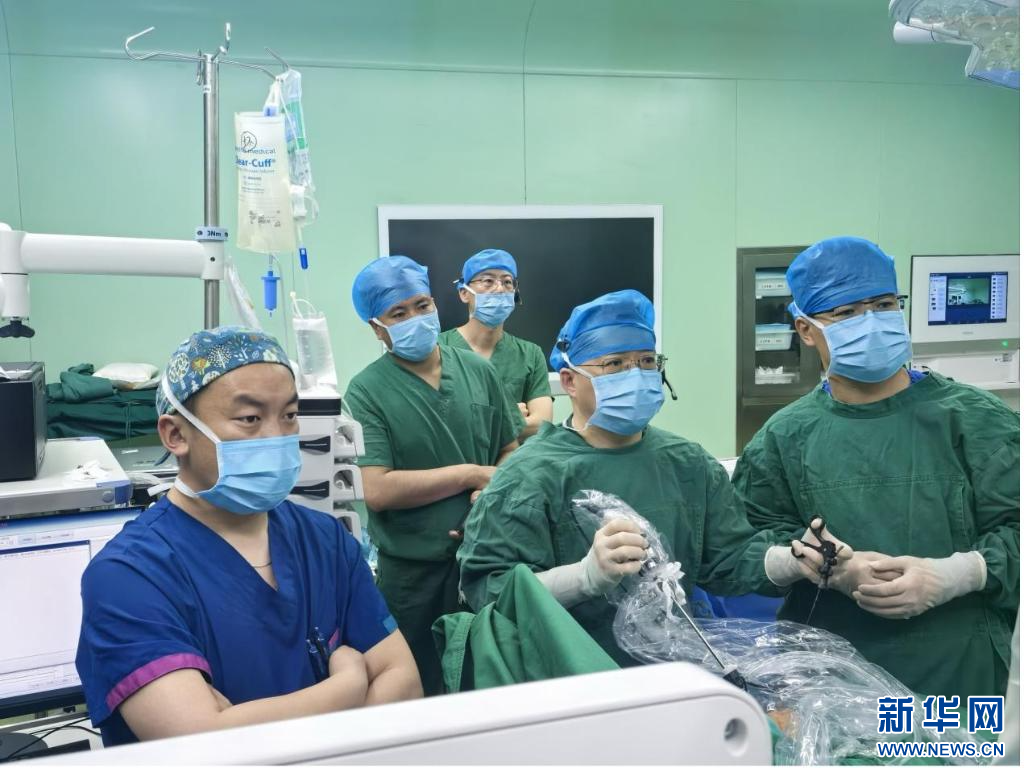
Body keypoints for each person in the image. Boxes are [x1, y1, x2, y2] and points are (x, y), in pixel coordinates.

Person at [76, 327, 421, 747]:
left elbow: (403, 683)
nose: (277, 436)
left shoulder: (324, 541)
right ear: (176, 434)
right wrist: (347, 685)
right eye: (250, 419)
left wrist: (239, 721)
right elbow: (201, 744)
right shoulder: (129, 575)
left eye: (289, 415)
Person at [458, 289, 829, 664]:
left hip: (674, 671)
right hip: (570, 672)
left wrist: (793, 559)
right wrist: (583, 577)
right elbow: (489, 591)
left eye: (647, 361)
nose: (635, 374)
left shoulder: (687, 463)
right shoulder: (527, 475)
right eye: (615, 364)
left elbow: (728, 559)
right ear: (569, 381)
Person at [733, 236, 1019, 701]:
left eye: (883, 305)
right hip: (835, 677)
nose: (869, 321)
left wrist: (959, 574)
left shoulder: (977, 420)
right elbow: (744, 547)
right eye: (846, 312)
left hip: (962, 674)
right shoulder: (784, 437)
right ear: (806, 330)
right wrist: (818, 565)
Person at [345, 256, 520, 695]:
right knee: (416, 690)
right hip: (413, 577)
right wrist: (469, 475)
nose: (415, 318)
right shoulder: (367, 390)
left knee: (489, 684)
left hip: (484, 561)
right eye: (398, 314)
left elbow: (509, 450)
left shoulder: (478, 371)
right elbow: (377, 488)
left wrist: (491, 488)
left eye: (422, 306)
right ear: (377, 328)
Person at [439, 249, 552, 439]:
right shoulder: (438, 348)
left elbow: (541, 425)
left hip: (515, 459)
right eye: (488, 281)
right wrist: (507, 417)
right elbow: (432, 425)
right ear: (464, 293)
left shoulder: (530, 354)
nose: (499, 289)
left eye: (507, 282)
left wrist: (470, 421)